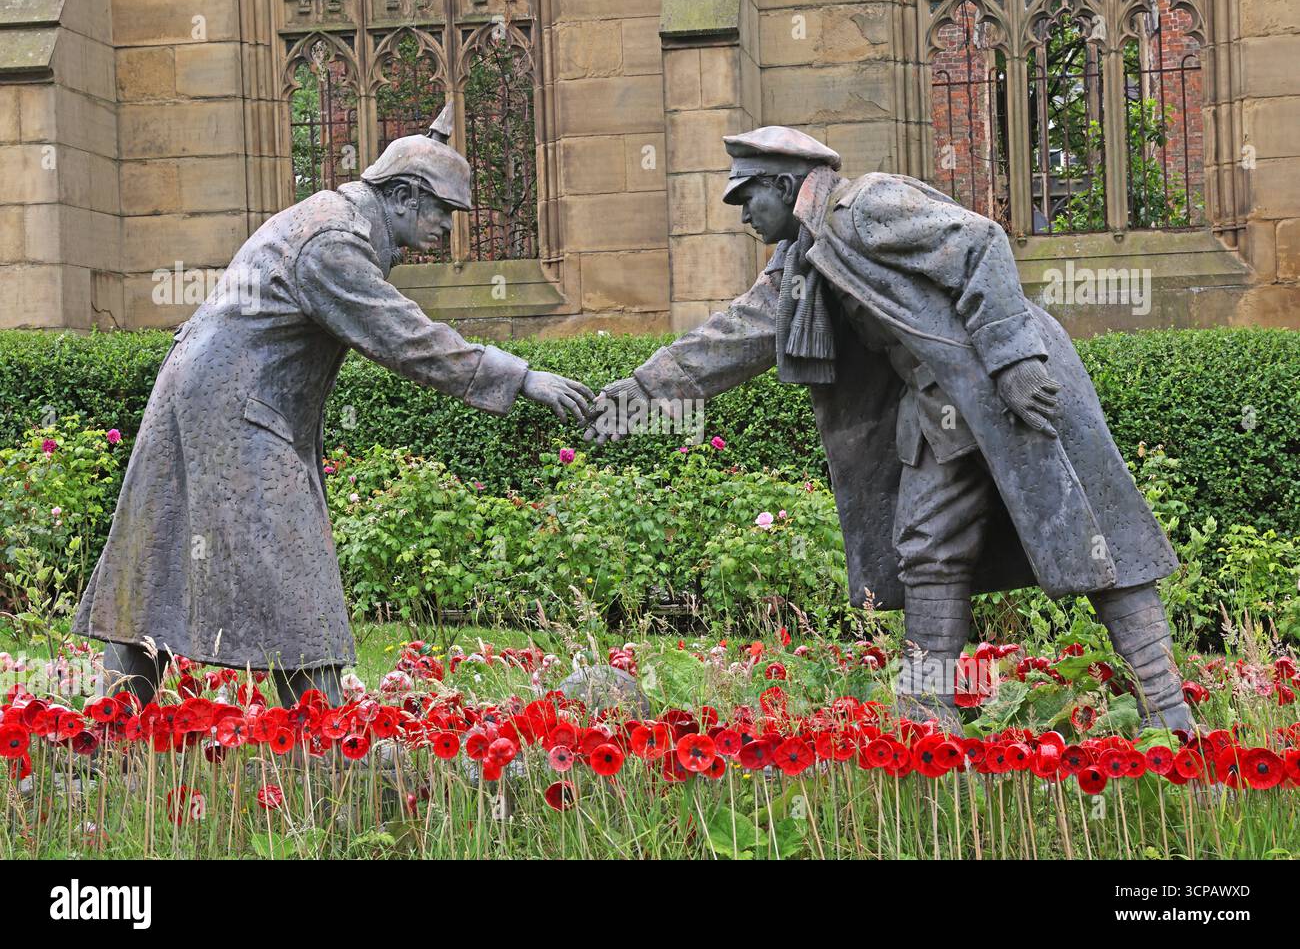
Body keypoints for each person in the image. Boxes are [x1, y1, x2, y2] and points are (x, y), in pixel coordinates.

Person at [584, 125, 1192, 732]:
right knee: (927, 548)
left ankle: (1169, 714)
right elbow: (735, 336)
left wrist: (1016, 362)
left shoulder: (867, 205)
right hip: (938, 405)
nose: (744, 215)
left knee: (1095, 537)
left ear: (782, 184)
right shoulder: (801, 258)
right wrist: (636, 394)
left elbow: (981, 241)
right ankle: (928, 719)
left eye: (747, 198)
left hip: (1010, 382)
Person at [75, 105, 592, 709]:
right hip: (235, 411)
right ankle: (324, 744)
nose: (451, 229)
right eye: (444, 211)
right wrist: (521, 377)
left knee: (158, 559)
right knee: (297, 576)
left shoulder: (336, 221)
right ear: (402, 196)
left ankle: (111, 728)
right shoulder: (332, 242)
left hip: (211, 399)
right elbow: (404, 338)